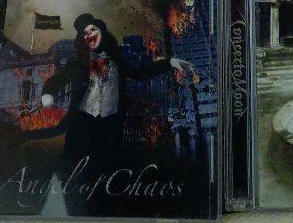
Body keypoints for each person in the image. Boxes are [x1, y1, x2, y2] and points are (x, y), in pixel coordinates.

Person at [40, 13, 198, 210]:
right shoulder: (77, 64)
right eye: (85, 33)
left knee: (106, 178)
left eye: (92, 30)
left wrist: (170, 62)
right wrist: (47, 93)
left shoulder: (119, 61)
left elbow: (141, 73)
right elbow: (57, 79)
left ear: (102, 33)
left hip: (110, 127)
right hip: (81, 127)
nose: (89, 34)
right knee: (76, 178)